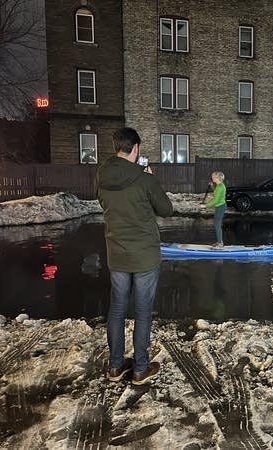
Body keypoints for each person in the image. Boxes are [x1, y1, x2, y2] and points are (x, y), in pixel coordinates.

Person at [94, 127, 173, 385]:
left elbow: (106, 204)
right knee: (142, 311)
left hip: (116, 254)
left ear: (117, 147)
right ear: (136, 148)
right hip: (145, 257)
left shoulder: (101, 176)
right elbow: (166, 209)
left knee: (116, 310)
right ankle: (140, 368)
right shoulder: (144, 178)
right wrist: (151, 180)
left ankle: (115, 367)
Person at [201, 171, 226, 248]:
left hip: (220, 207)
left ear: (217, 178)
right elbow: (216, 192)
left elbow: (215, 200)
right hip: (219, 207)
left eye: (213, 177)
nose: (212, 178)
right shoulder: (219, 186)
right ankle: (219, 241)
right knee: (216, 224)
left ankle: (220, 244)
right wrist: (212, 186)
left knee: (217, 225)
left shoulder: (220, 187)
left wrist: (205, 205)